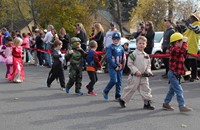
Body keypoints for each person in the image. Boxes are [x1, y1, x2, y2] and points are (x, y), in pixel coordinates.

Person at [119, 36, 155, 110]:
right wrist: (135, 71)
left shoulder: (146, 55)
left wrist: (148, 71)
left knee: (146, 89)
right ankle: (123, 99)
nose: (141, 45)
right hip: (134, 76)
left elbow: (148, 65)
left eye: (143, 43)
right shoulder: (133, 54)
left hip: (144, 76)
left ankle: (147, 103)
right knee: (131, 88)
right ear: (136, 44)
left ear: (146, 45)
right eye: (140, 43)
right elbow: (130, 64)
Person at [162, 32, 192, 112]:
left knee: (172, 91)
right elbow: (181, 51)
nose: (183, 44)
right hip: (172, 74)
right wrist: (185, 42)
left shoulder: (179, 50)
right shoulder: (173, 49)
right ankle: (181, 106)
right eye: (181, 42)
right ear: (176, 42)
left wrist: (186, 49)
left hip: (177, 74)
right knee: (179, 90)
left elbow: (183, 55)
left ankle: (166, 103)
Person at [102, 32, 126, 101]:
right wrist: (115, 66)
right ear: (112, 39)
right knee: (114, 80)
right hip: (112, 66)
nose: (116, 40)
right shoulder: (110, 47)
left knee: (119, 81)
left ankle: (117, 95)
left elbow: (123, 57)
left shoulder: (121, 47)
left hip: (119, 66)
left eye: (117, 39)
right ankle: (106, 91)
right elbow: (109, 58)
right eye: (114, 39)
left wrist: (122, 65)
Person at [183, 12, 200, 82]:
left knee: (193, 63)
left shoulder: (198, 26)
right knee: (186, 62)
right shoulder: (189, 28)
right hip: (187, 46)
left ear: (194, 19)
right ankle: (187, 75)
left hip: (193, 46)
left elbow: (193, 28)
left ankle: (194, 76)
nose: (189, 19)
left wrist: (187, 24)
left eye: (190, 18)